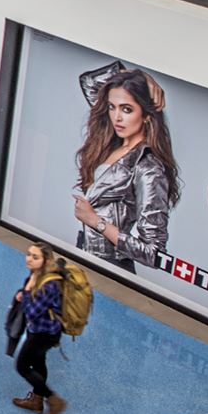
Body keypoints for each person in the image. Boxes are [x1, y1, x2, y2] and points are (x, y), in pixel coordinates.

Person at [73, 61, 180, 273]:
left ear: (147, 116)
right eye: (112, 107)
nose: (117, 117)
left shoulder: (149, 168)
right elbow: (89, 82)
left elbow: (154, 253)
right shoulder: (111, 144)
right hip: (82, 253)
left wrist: (97, 222)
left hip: (110, 269)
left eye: (127, 109)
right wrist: (138, 76)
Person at [12, 242, 66, 414]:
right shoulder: (37, 274)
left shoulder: (49, 284)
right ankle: (36, 401)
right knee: (38, 362)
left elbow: (32, 312)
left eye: (35, 257)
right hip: (38, 329)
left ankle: (53, 400)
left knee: (22, 366)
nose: (29, 259)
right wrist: (24, 291)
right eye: (28, 254)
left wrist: (26, 293)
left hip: (45, 333)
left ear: (45, 260)